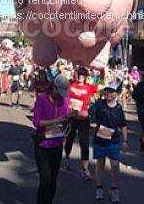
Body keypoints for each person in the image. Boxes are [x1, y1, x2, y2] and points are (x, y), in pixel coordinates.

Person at [33, 75, 71, 204]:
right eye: (59, 92)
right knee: (45, 180)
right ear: (53, 87)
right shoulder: (42, 100)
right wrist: (56, 120)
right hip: (42, 145)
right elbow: (36, 122)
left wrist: (68, 119)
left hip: (57, 144)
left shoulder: (65, 100)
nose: (61, 95)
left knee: (53, 179)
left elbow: (66, 116)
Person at [90, 83, 128, 203]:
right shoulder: (100, 103)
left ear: (116, 94)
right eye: (107, 91)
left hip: (113, 140)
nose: (108, 94)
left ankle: (114, 189)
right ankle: (99, 188)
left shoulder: (118, 109)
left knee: (115, 165)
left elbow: (123, 125)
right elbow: (91, 114)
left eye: (111, 92)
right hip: (99, 139)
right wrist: (90, 105)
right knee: (100, 164)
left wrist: (125, 141)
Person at [64, 67, 101, 180]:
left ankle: (85, 169)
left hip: (83, 118)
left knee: (84, 143)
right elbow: (58, 85)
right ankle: (67, 159)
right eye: (79, 74)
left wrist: (103, 72)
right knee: (69, 140)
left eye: (83, 75)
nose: (81, 76)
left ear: (86, 77)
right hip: (71, 118)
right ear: (76, 74)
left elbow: (102, 85)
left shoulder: (89, 87)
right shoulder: (70, 85)